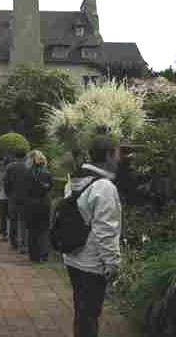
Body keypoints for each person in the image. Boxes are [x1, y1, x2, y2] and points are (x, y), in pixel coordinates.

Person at [63, 133, 122, 337]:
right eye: (117, 153)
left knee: (82, 313)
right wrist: (112, 264)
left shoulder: (75, 179)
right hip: (92, 263)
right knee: (89, 315)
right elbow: (105, 231)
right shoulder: (104, 187)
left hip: (73, 257)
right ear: (108, 155)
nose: (119, 158)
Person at [24, 150, 54, 263]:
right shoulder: (48, 173)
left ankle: (34, 256)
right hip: (44, 203)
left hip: (31, 204)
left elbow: (25, 190)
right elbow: (50, 188)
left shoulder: (27, 173)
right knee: (44, 229)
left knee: (32, 231)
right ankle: (44, 254)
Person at [4, 151, 30, 253]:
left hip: (13, 197)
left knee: (13, 220)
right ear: (25, 157)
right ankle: (23, 245)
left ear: (15, 156)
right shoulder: (27, 167)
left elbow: (6, 182)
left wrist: (8, 194)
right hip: (25, 198)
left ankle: (13, 242)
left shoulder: (9, 167)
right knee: (23, 222)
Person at [0, 156, 13, 241]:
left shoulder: (2, 173)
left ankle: (3, 234)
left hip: (2, 197)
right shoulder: (12, 173)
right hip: (11, 197)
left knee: (3, 217)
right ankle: (10, 234)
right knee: (10, 217)